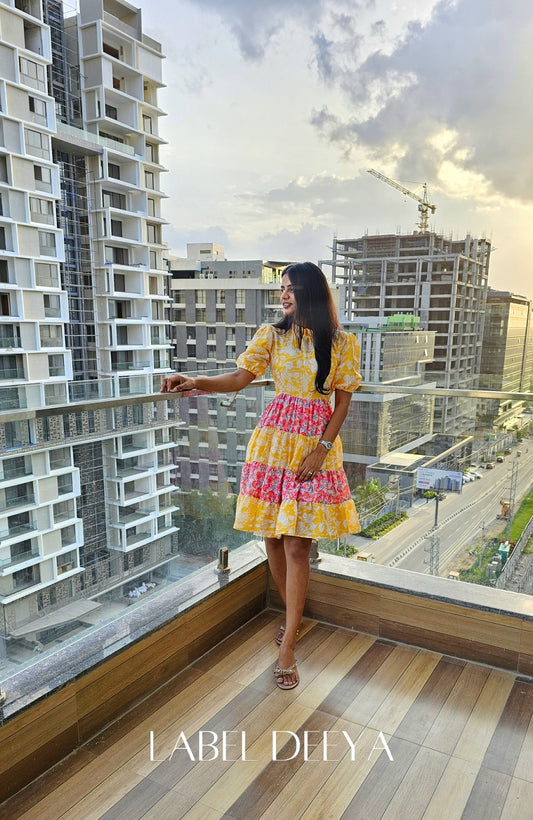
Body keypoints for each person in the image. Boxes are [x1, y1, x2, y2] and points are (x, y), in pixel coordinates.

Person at [161, 262, 361, 690]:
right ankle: (294, 622)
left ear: (310, 292)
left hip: (314, 445)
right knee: (272, 537)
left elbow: (342, 402)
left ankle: (288, 642)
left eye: (291, 288)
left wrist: (321, 450)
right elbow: (238, 378)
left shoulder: (342, 342)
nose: (284, 295)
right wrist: (193, 379)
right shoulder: (272, 336)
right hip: (272, 443)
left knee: (297, 545)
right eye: (282, 288)